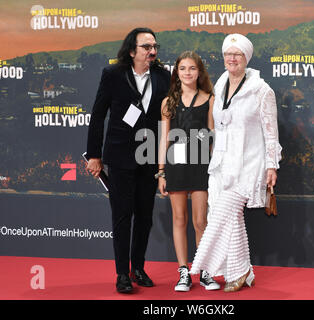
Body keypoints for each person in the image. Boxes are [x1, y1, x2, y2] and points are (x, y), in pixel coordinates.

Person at [189, 34, 282, 292]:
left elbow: (271, 132)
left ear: (246, 58)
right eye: (228, 54)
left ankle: (200, 266)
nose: (232, 59)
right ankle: (241, 273)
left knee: (222, 216)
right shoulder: (219, 86)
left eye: (237, 54)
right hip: (221, 164)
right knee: (232, 219)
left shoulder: (262, 90)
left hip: (248, 164)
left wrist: (271, 165)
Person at [86, 27, 170, 294]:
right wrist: (94, 155)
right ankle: (122, 273)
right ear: (132, 51)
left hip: (149, 157)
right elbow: (98, 115)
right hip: (120, 156)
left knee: (144, 217)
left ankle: (138, 268)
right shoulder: (113, 75)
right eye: (146, 47)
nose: (152, 52)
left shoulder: (163, 76)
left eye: (155, 47)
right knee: (122, 217)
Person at [157, 51, 220, 291]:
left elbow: (213, 137)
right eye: (182, 68)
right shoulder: (168, 102)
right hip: (175, 166)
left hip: (202, 166)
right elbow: (164, 140)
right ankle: (184, 272)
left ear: (199, 72)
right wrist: (161, 172)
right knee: (179, 219)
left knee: (200, 221)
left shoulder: (210, 99)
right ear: (177, 73)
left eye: (192, 68)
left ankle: (204, 270)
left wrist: (216, 167)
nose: (187, 73)